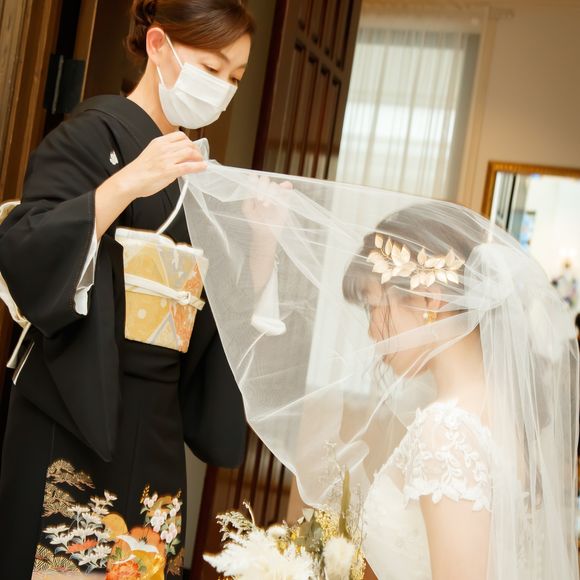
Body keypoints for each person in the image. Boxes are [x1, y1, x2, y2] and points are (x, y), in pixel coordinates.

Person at [177, 165, 579, 579]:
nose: (371, 331)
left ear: (429, 299)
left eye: (373, 306)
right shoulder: (502, 415)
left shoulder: (447, 432)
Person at [0, 1, 254, 577]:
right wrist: (126, 182)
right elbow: (26, 246)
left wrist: (256, 252)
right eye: (211, 69)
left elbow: (209, 315)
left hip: (157, 417)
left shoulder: (195, 173)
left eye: (235, 78)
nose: (222, 88)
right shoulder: (90, 134)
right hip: (77, 407)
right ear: (158, 46)